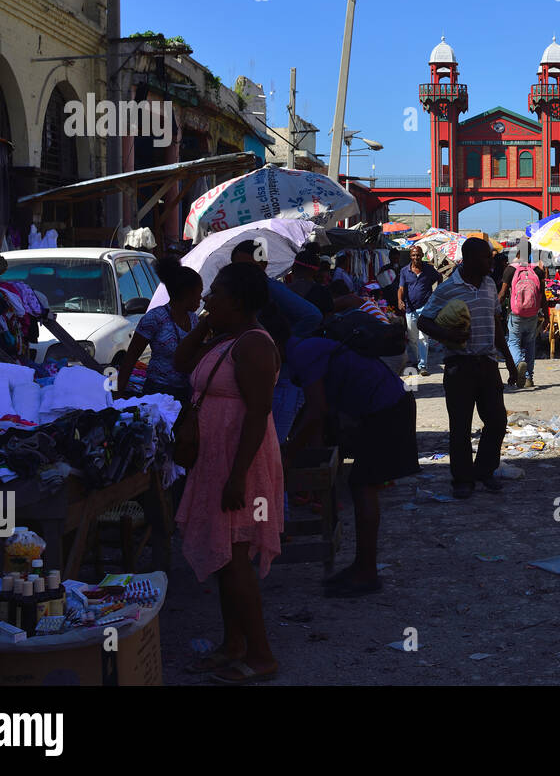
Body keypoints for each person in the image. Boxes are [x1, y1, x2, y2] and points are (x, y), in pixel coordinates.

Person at [173, 261, 283, 684]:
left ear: (237, 301)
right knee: (223, 556)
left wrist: (237, 477)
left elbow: (258, 413)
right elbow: (182, 362)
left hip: (242, 464)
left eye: (215, 293)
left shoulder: (254, 344)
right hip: (217, 459)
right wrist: (205, 323)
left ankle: (261, 655)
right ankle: (232, 643)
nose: (205, 298)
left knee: (235, 557)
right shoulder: (226, 338)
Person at [281, 330, 418, 598]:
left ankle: (367, 573)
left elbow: (316, 410)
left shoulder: (303, 353)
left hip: (387, 409)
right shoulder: (308, 348)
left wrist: (288, 454)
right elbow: (316, 412)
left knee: (364, 485)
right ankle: (362, 566)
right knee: (362, 485)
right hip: (383, 407)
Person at [419, 238, 519, 499]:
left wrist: (507, 359)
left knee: (497, 421)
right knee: (460, 426)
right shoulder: (448, 288)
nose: (491, 262)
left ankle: (484, 471)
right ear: (471, 258)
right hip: (459, 366)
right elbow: (424, 321)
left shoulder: (489, 284)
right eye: (487, 257)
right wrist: (447, 335)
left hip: (487, 363)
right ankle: (462, 480)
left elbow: (496, 321)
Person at [116, 256, 201, 402]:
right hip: (158, 392)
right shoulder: (155, 318)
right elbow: (130, 359)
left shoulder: (194, 319)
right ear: (186, 294)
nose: (201, 298)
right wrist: (117, 397)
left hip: (186, 392)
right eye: (198, 293)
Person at [230, 239, 322, 338]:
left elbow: (313, 316)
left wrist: (283, 344)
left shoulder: (269, 287)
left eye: (248, 266)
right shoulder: (244, 290)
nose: (242, 271)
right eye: (237, 266)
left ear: (263, 264)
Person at [499, 260, 545, 387]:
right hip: (533, 313)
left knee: (513, 342)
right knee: (530, 344)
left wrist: (494, 308)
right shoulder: (537, 271)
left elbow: (502, 294)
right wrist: (546, 314)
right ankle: (528, 378)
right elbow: (543, 296)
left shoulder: (511, 269)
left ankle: (519, 363)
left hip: (516, 314)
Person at [397, 245, 441, 376]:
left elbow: (439, 278)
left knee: (423, 337)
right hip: (410, 308)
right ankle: (415, 361)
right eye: (413, 255)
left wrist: (436, 294)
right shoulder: (405, 271)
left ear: (422, 256)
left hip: (425, 307)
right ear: (410, 256)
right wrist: (400, 300)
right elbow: (401, 288)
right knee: (412, 337)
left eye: (418, 255)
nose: (416, 257)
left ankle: (423, 365)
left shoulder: (428, 269)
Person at [284, 250, 335, 317]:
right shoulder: (323, 292)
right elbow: (329, 319)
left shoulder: (283, 290)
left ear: (293, 267)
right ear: (316, 271)